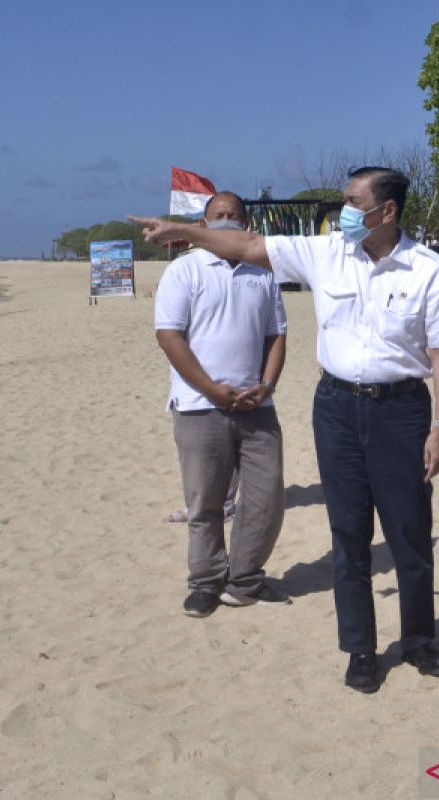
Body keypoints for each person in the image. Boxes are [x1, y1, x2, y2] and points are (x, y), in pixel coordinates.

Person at [133, 166, 439, 690]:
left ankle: (420, 641)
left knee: (409, 531)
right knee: (348, 534)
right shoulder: (325, 252)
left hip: (402, 410)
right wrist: (180, 232)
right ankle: (360, 649)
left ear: (388, 210)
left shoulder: (429, 269)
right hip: (335, 406)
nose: (344, 211)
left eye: (354, 202)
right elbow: (245, 246)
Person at [154, 191, 290, 618]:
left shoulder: (263, 273)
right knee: (206, 502)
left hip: (257, 407)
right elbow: (169, 336)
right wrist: (212, 390)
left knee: (266, 497)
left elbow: (277, 335)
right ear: (203, 223)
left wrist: (266, 386)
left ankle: (246, 577)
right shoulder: (184, 270)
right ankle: (206, 581)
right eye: (218, 215)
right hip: (199, 406)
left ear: (247, 225)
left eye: (233, 215)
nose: (226, 220)